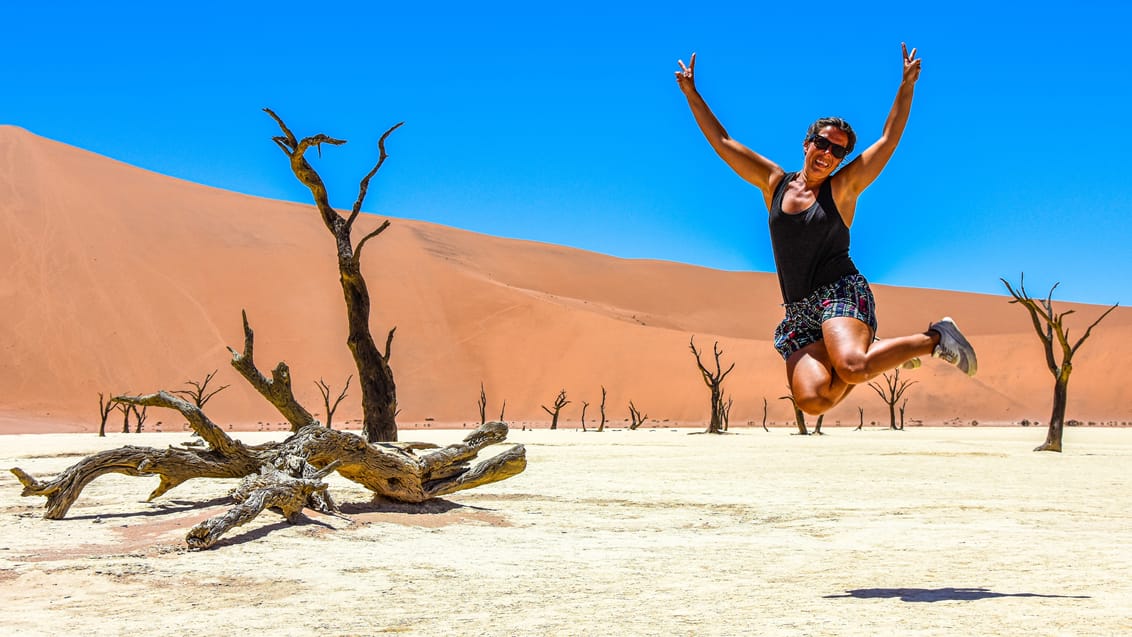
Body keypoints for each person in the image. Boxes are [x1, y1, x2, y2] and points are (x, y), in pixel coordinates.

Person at [675, 43, 976, 416]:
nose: (828, 154)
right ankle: (878, 351)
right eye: (822, 143)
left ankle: (935, 337)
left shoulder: (842, 189)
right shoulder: (774, 183)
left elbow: (887, 140)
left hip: (840, 293)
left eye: (838, 151)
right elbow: (724, 143)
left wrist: (906, 86)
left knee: (852, 367)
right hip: (799, 312)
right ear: (807, 144)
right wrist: (692, 94)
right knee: (813, 400)